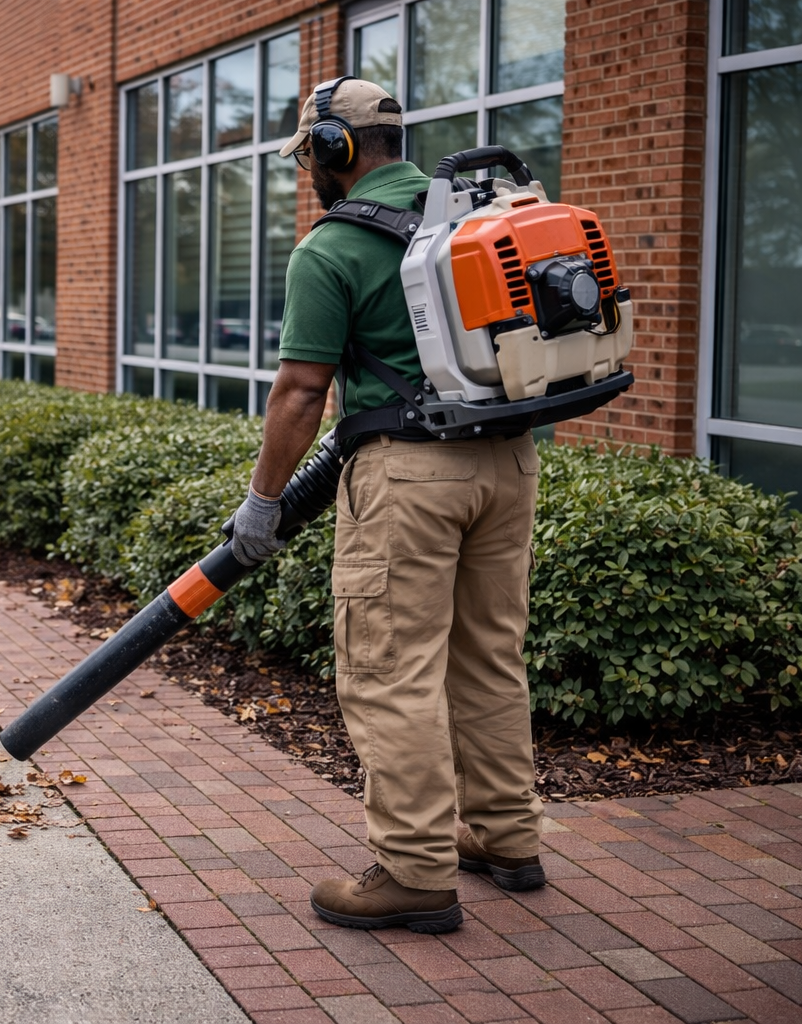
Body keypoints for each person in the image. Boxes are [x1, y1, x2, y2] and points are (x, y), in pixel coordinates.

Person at [229, 77, 546, 934]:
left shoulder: (329, 249)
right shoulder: (477, 217)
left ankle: (414, 871)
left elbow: (300, 393)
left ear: (335, 151)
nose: (308, 176)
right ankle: (507, 837)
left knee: (391, 671)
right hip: (509, 463)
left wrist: (261, 505)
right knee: (488, 655)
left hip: (409, 479)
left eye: (309, 158)